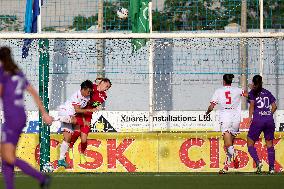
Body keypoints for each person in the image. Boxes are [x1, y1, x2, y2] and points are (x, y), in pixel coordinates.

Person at [0, 46, 53, 189]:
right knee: (5, 156)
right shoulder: (18, 73)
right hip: (20, 116)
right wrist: (44, 113)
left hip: (12, 117)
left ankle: (42, 178)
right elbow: (33, 92)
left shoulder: (3, 73)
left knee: (8, 156)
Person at [205, 74, 247, 174]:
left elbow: (211, 106)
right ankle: (226, 167)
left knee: (228, 144)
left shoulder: (219, 91)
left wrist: (207, 113)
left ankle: (235, 154)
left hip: (225, 117)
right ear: (231, 81)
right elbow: (247, 95)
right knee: (230, 145)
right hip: (236, 118)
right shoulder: (237, 90)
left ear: (223, 81)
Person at [68, 78, 111, 164]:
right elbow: (83, 95)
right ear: (102, 83)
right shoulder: (92, 86)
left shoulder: (103, 96)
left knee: (84, 139)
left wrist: (93, 105)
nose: (106, 89)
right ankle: (70, 148)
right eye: (106, 86)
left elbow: (92, 104)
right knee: (76, 132)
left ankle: (82, 154)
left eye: (108, 88)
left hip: (88, 115)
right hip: (80, 112)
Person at [57, 80, 94, 168]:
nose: (89, 93)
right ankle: (59, 118)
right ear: (83, 89)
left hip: (71, 116)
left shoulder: (87, 97)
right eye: (88, 91)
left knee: (68, 138)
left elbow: (80, 111)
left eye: (90, 91)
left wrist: (84, 119)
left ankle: (61, 160)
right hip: (65, 112)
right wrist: (89, 110)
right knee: (76, 121)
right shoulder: (76, 95)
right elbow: (77, 109)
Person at [247, 75, 277, 174]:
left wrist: (250, 117)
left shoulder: (253, 93)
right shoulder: (267, 92)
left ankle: (258, 162)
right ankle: (272, 168)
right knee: (269, 144)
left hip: (258, 120)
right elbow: (274, 106)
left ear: (254, 83)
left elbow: (251, 106)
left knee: (250, 143)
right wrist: (268, 114)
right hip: (269, 120)